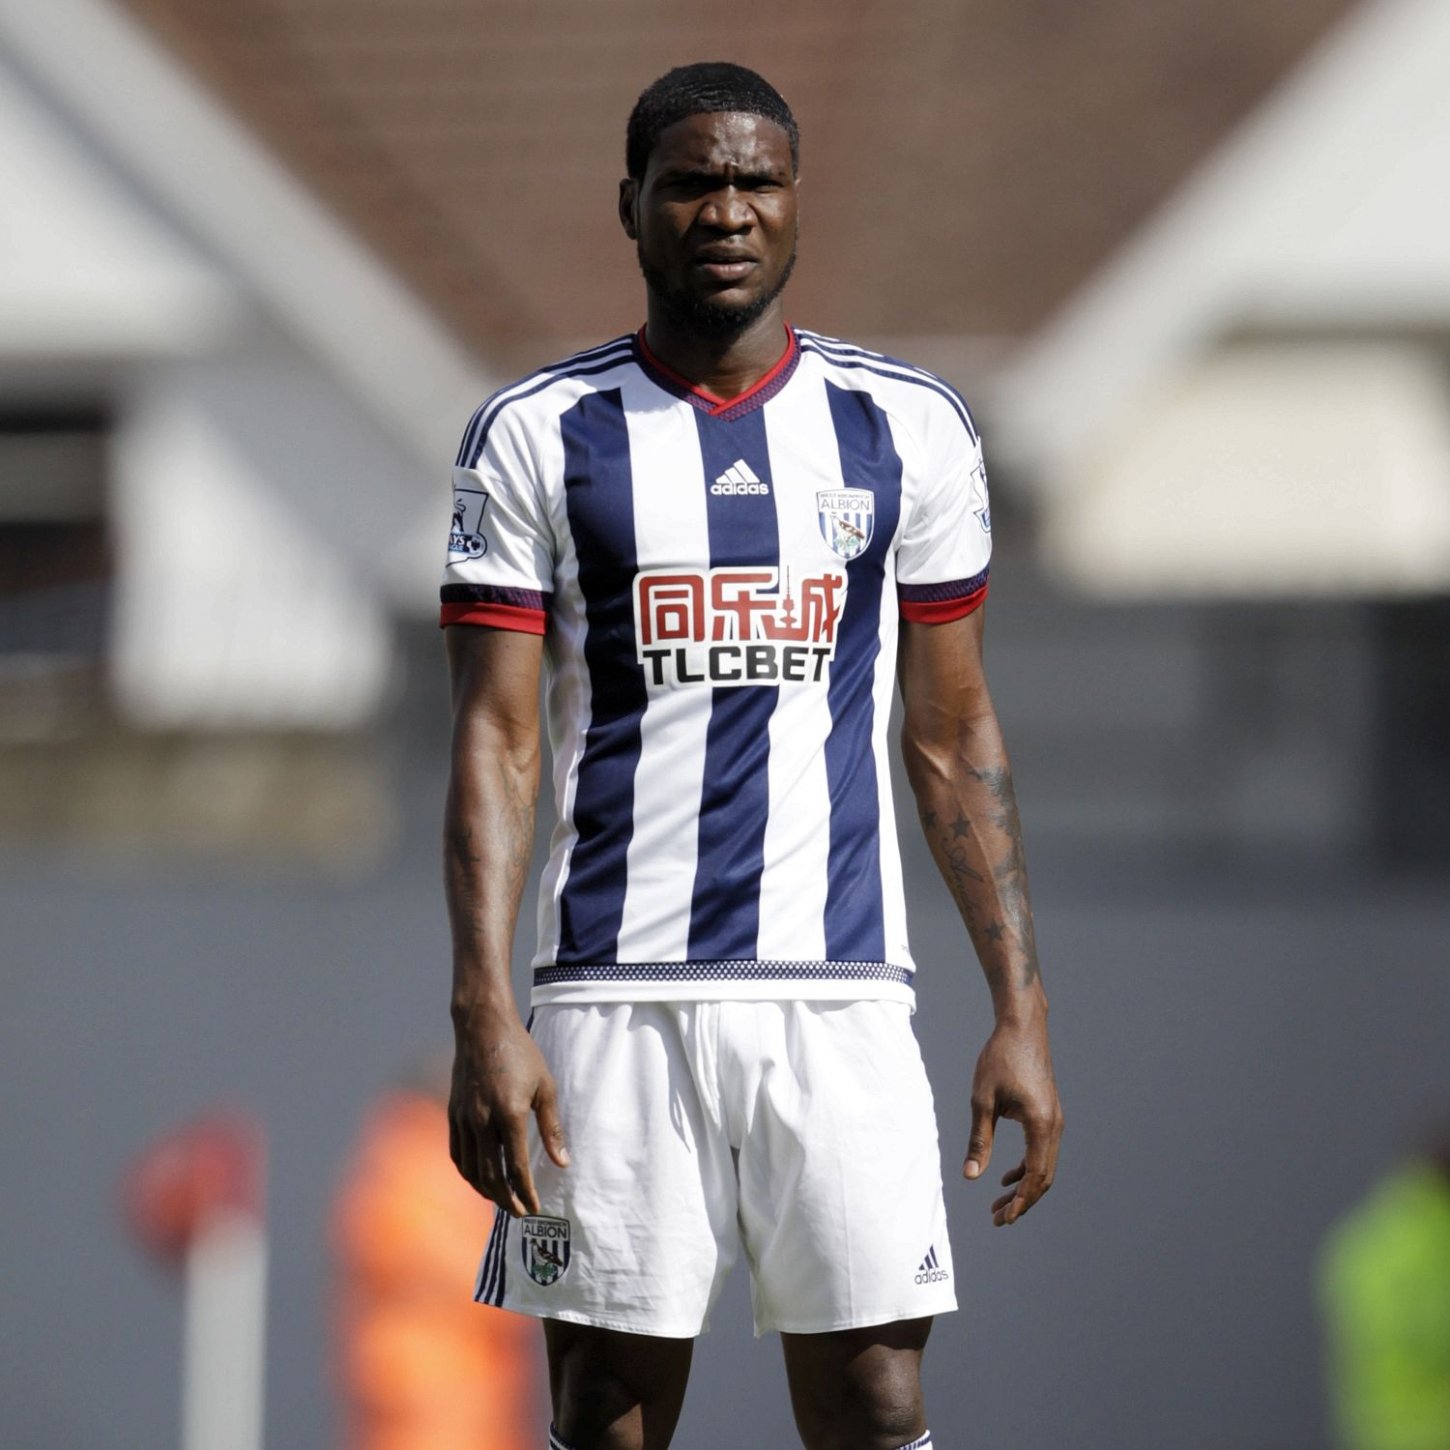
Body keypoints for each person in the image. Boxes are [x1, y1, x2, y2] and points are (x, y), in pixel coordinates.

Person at [441, 61, 1063, 1450]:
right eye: (690, 184)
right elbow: (497, 735)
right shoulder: (536, 433)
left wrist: (1018, 1007)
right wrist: (484, 1011)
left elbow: (952, 732)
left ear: (796, 204)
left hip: (840, 999)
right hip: (607, 1002)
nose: (725, 211)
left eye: (755, 183)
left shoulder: (905, 426)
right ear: (630, 206)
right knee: (604, 1404)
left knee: (877, 1395)